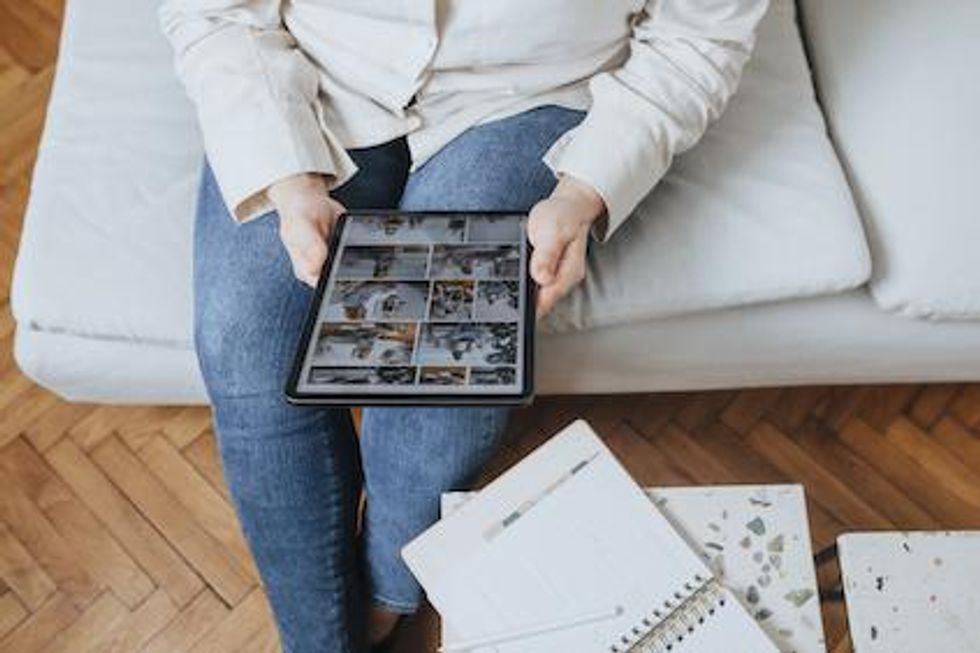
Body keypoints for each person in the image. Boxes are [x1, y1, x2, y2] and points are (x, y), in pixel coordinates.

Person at [158, 1, 767, 651]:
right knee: (244, 343)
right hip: (314, 75)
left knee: (445, 358)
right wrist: (287, 178)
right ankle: (318, 640)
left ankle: (388, 591)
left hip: (530, 93)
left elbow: (700, 34)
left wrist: (581, 190)